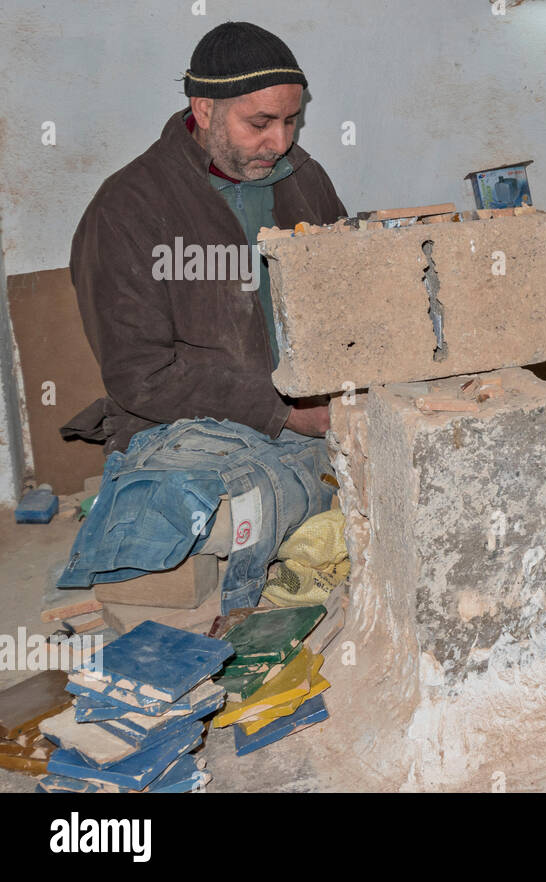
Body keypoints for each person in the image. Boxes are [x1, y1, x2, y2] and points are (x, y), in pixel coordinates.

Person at [58, 22, 348, 613]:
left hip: (307, 413)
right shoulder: (128, 207)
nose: (280, 142)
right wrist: (285, 413)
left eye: (291, 121)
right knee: (210, 519)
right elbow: (141, 375)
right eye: (260, 123)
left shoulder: (305, 179)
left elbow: (349, 295)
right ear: (205, 109)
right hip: (183, 430)